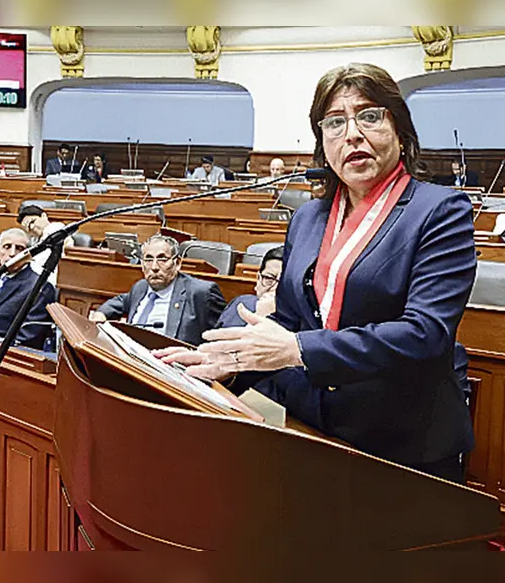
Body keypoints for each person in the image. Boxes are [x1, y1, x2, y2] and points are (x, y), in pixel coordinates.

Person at [157, 63, 477, 483]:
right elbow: (290, 321)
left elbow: (426, 334)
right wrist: (233, 360)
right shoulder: (308, 217)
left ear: (400, 130)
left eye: (369, 116)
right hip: (308, 427)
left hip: (401, 445)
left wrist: (298, 351)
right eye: (335, 122)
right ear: (322, 143)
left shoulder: (438, 211)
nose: (352, 134)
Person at [88, 234, 225, 346]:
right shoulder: (140, 287)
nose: (154, 267)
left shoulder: (201, 293)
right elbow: (121, 301)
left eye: (162, 259)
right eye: (148, 259)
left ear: (177, 264)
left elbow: (222, 336)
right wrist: (102, 313)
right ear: (142, 265)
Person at [0, 228, 57, 350]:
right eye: (7, 247)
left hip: (3, 354)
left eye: (19, 248)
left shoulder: (40, 287)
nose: (12, 253)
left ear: (29, 254)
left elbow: (28, 338)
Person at [216, 246, 283, 329]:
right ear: (258, 279)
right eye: (269, 278)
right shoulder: (242, 303)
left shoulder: (302, 326)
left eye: (284, 283)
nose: (275, 289)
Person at [17, 203, 73, 286]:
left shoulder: (56, 229)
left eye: (33, 221)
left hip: (55, 277)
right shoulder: (34, 240)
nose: (32, 227)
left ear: (44, 216)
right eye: (28, 227)